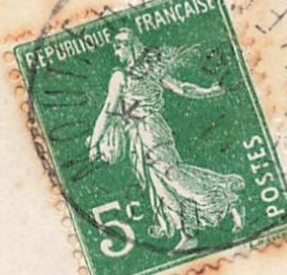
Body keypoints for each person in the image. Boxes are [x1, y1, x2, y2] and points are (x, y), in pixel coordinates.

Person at [87, 28, 245, 252]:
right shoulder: (148, 70)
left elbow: (108, 110)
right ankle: (186, 232)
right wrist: (210, 91)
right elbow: (181, 89)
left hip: (150, 132)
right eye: (114, 46)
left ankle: (226, 200)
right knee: (159, 185)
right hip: (142, 133)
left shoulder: (121, 77)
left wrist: (95, 143)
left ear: (130, 46)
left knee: (173, 177)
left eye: (119, 45)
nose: (116, 51)